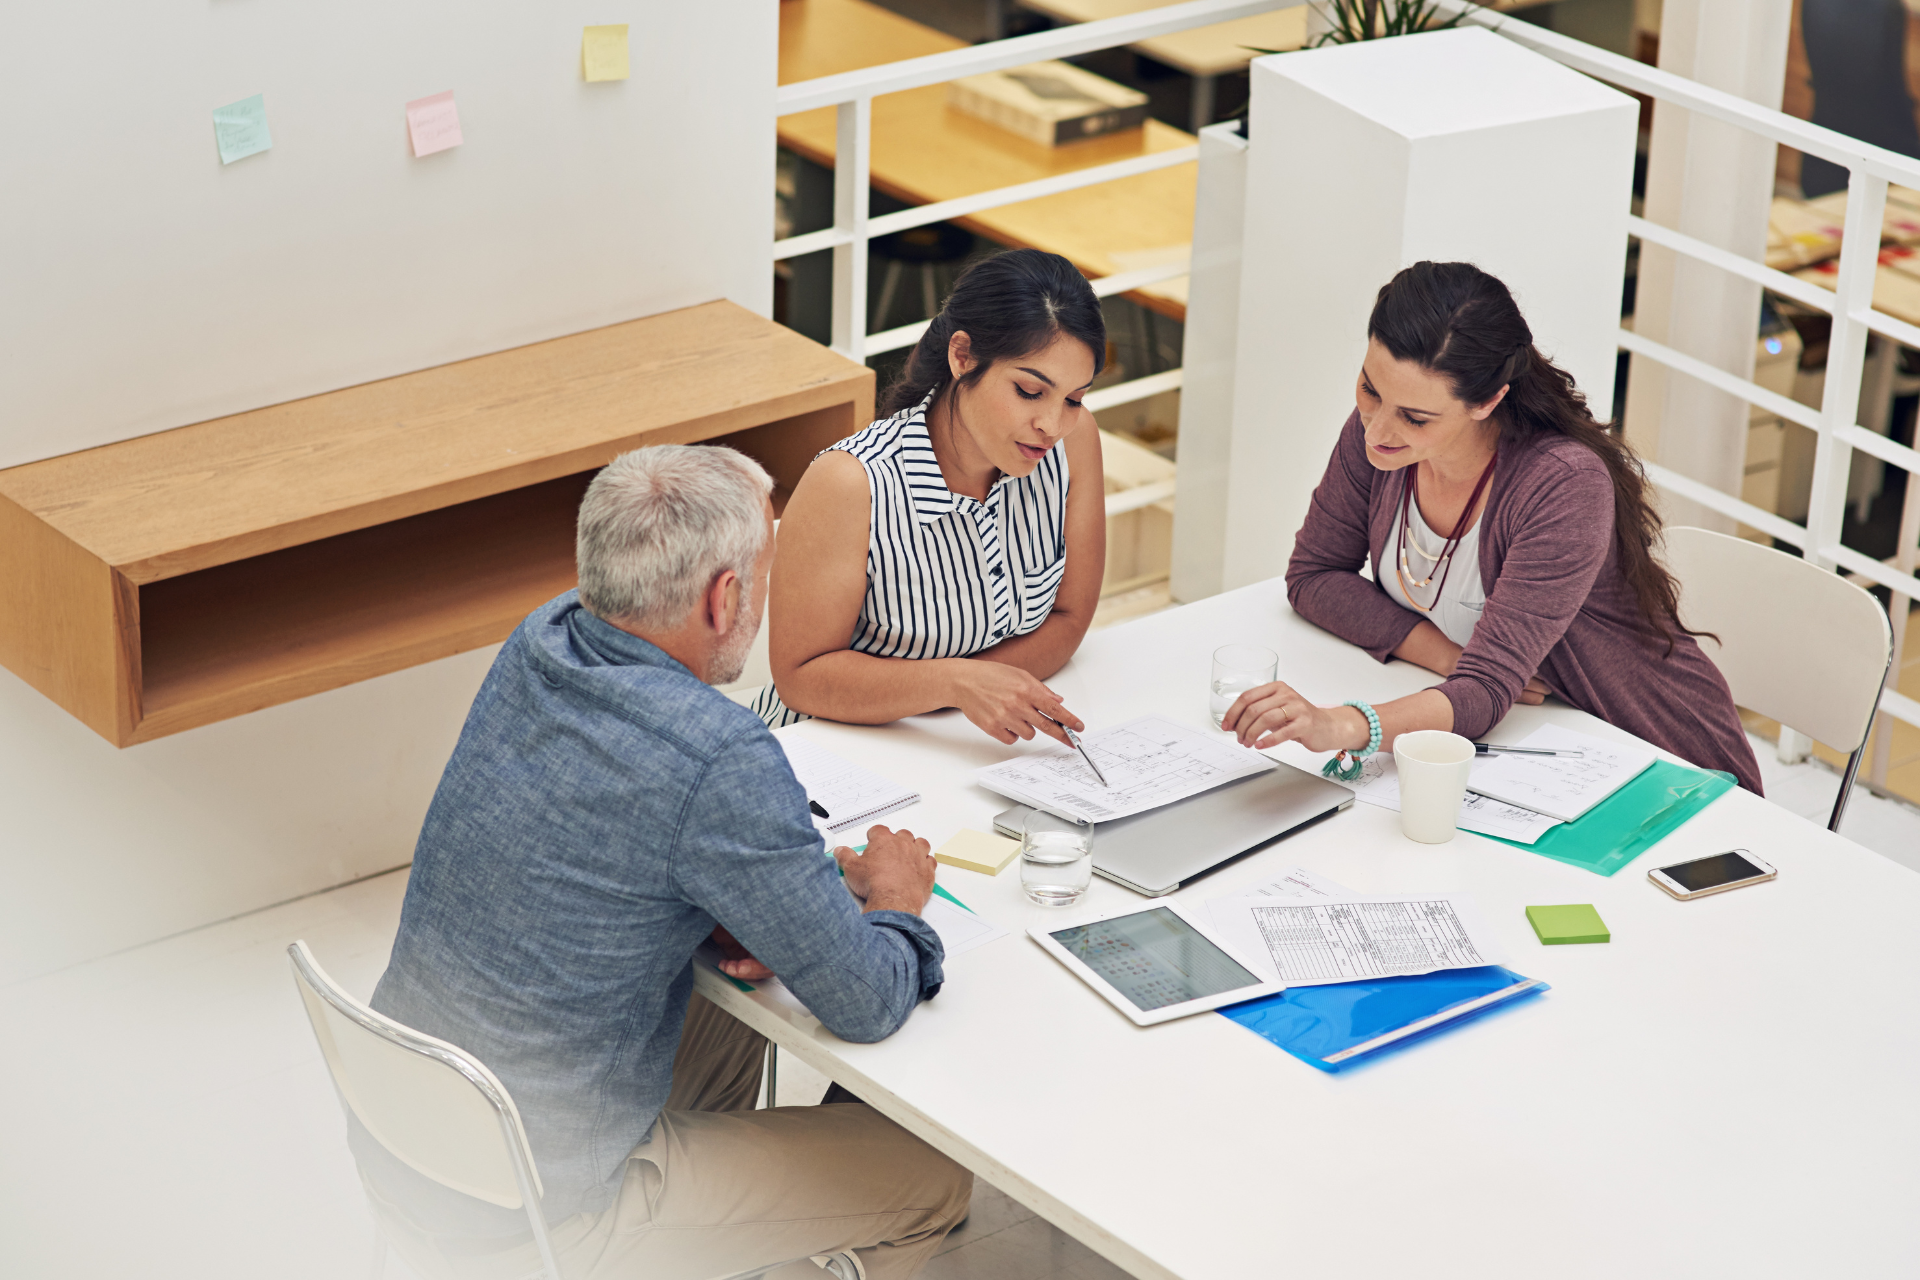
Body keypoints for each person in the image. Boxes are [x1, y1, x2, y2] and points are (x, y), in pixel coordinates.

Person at [360, 444, 972, 1280]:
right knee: (935, 1175)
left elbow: (613, 829)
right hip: (544, 1215)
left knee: (731, 985)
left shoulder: (539, 642)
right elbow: (865, 1002)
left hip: (416, 1142)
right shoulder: (717, 751)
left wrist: (794, 882)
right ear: (725, 598)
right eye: (762, 574)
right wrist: (899, 899)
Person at [1224, 261, 1762, 794]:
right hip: (1541, 746)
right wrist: (1447, 656)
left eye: (1415, 417)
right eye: (1369, 389)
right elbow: (1314, 576)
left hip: (1658, 759)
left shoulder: (1561, 486)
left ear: (1487, 401)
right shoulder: (1382, 438)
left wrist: (1339, 725)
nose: (1377, 428)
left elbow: (1482, 696)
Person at [753, 248, 1108, 748]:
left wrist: (978, 692)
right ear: (962, 357)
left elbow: (1070, 619)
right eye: (1030, 391)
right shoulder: (850, 483)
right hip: (828, 751)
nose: (1051, 424)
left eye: (1074, 398)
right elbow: (801, 676)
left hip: (963, 745)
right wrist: (957, 684)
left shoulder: (1074, 443)